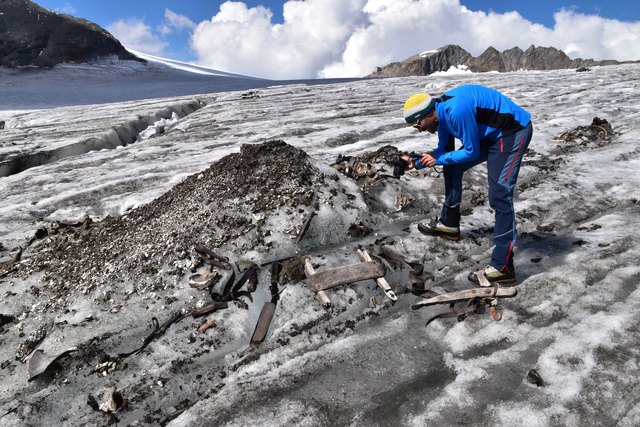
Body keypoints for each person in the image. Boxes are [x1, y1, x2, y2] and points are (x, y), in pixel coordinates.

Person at [402, 85, 533, 285]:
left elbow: (470, 152)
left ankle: (503, 267)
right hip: (489, 135)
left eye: (417, 124)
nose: (419, 129)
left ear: (427, 114)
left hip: (512, 132)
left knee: (500, 195)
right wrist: (417, 162)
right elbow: (444, 150)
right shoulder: (441, 115)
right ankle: (449, 224)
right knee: (452, 168)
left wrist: (438, 159)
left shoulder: (456, 110)